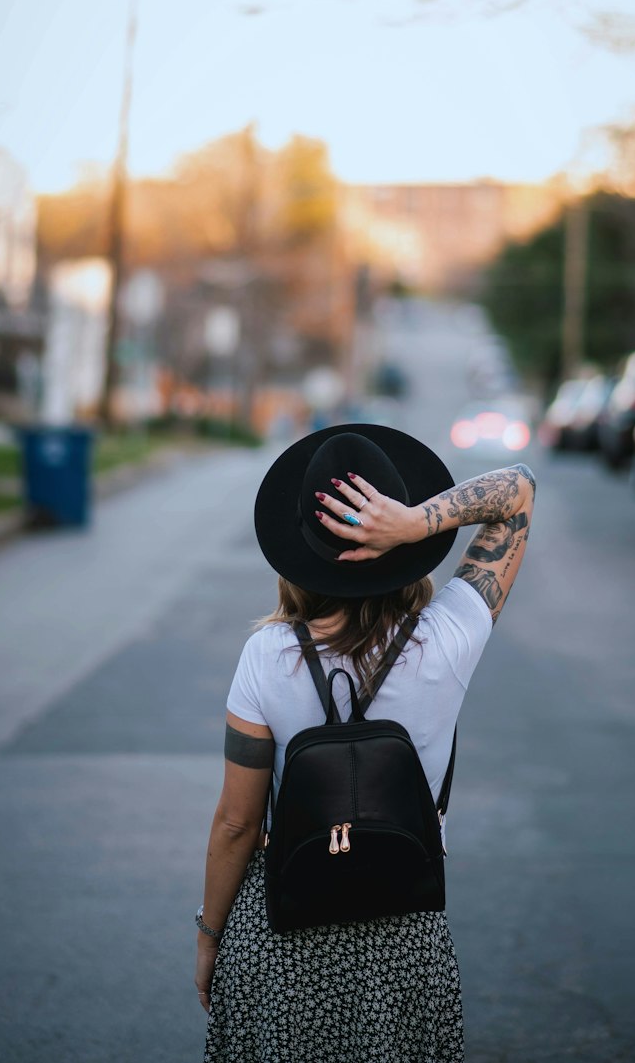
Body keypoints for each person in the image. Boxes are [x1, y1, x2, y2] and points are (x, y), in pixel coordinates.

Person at [195, 423, 536, 1063]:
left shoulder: (266, 655)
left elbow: (237, 823)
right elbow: (518, 490)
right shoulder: (451, 635)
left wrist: (212, 935)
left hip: (280, 936)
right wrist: (418, 524)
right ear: (399, 541)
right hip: (405, 938)